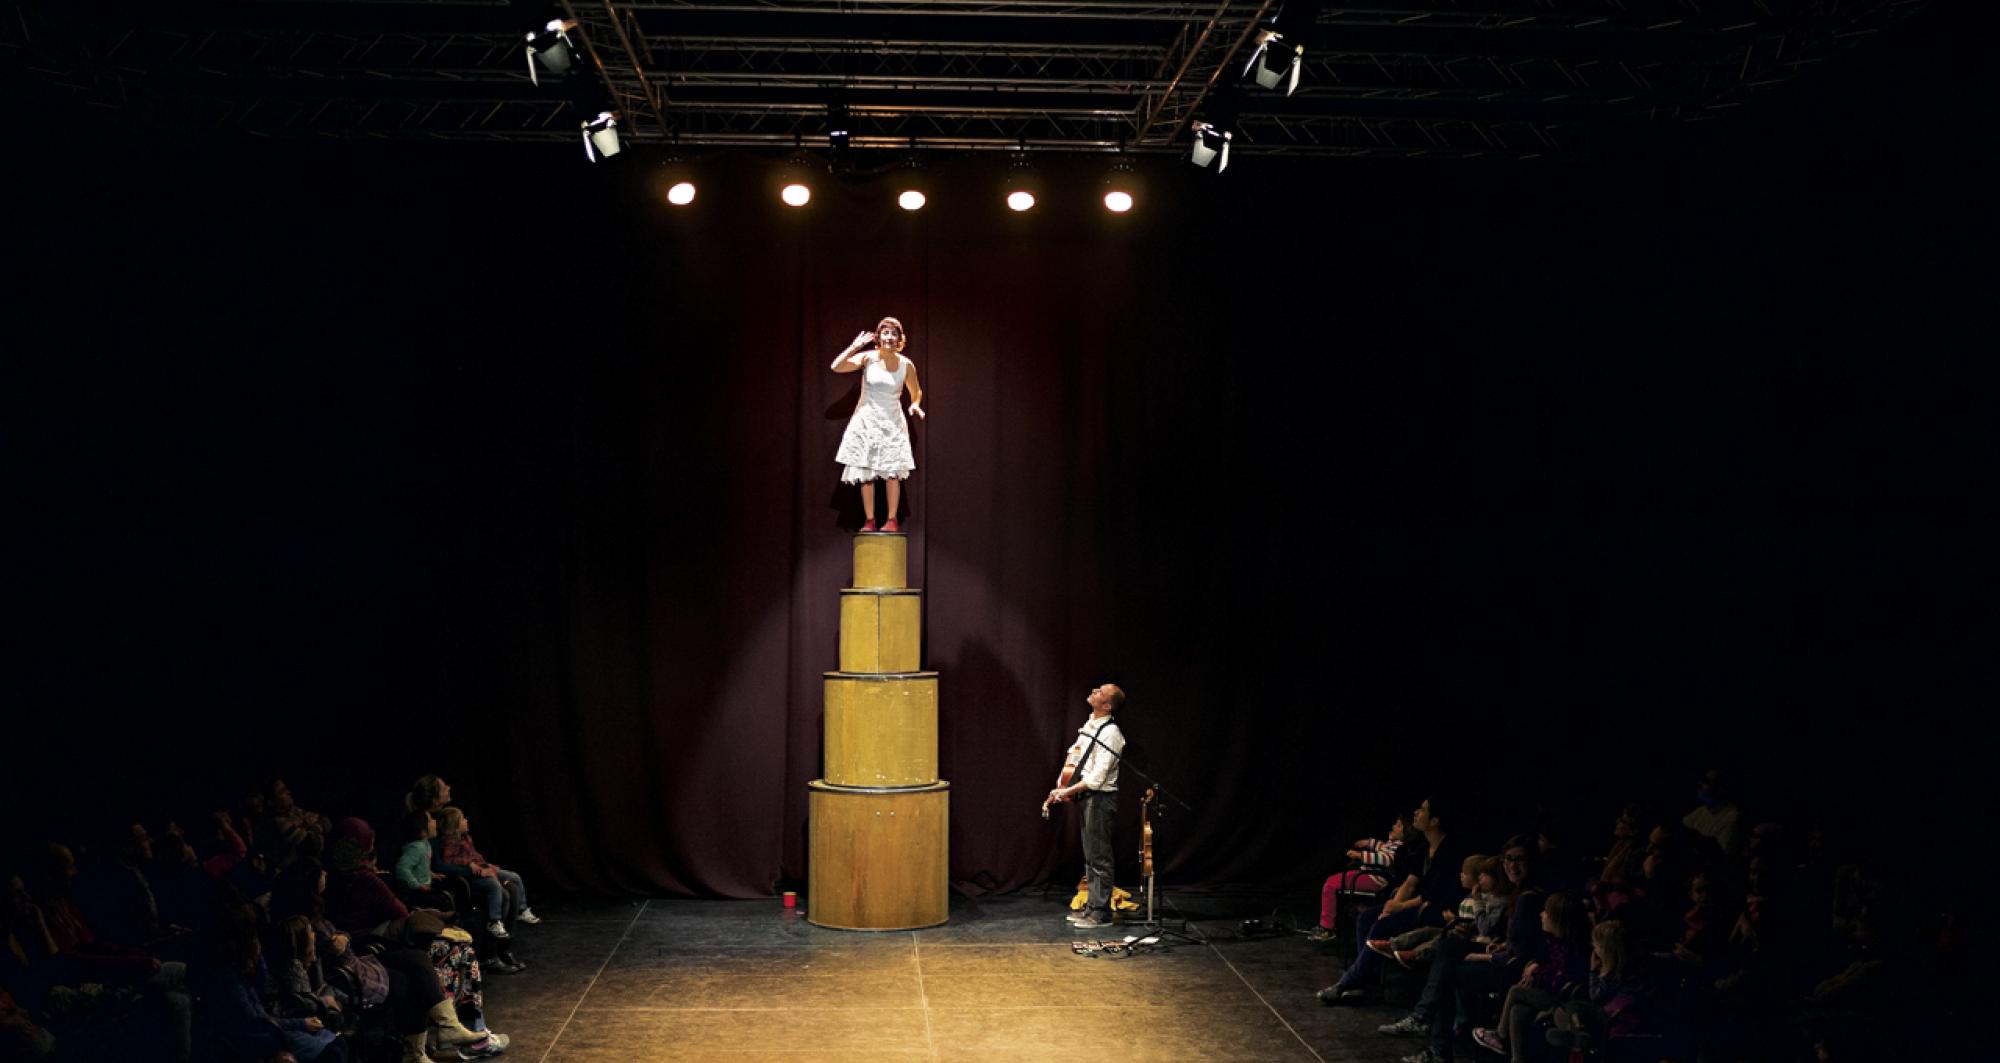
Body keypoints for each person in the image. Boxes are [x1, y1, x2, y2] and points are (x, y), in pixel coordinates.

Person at [831, 318, 925, 532]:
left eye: (894, 333)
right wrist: (854, 347)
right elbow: (836, 367)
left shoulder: (906, 364)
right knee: (866, 470)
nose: (889, 337)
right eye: (885, 333)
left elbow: (916, 391)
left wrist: (915, 404)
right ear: (879, 337)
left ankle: (891, 520)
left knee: (892, 472)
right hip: (866, 421)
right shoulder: (868, 358)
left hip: (892, 422)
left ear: (900, 338)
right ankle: (869, 520)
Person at [1046, 683, 1126, 930]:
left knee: (1099, 856)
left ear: (1107, 706)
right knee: (1091, 856)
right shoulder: (1091, 726)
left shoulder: (1111, 734)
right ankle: (1092, 906)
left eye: (1100, 692)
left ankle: (1101, 913)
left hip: (1100, 799)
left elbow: (1097, 778)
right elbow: (1076, 757)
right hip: (1087, 797)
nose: (1094, 690)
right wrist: (1061, 786)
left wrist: (1067, 791)